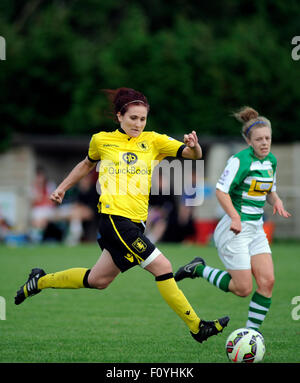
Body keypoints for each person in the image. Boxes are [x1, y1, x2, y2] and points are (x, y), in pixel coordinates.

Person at [15, 87, 229, 343]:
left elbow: (193, 155)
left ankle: (39, 281)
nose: (138, 124)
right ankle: (197, 327)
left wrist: (194, 147)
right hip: (116, 221)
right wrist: (61, 188)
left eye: (142, 118)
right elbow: (86, 164)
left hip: (135, 224)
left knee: (98, 280)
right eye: (133, 118)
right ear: (119, 116)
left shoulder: (154, 141)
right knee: (163, 267)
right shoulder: (101, 140)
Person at [175, 106, 291, 331]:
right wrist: (235, 217)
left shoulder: (271, 161)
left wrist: (276, 200)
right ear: (248, 141)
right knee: (242, 288)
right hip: (233, 228)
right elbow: (221, 191)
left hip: (256, 229)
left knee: (267, 282)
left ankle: (251, 334)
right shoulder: (239, 161)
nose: (264, 143)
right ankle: (198, 269)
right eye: (259, 139)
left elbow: (268, 190)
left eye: (267, 138)